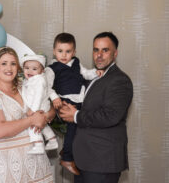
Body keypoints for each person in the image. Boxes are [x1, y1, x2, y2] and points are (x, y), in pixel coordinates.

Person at [58, 32, 133, 183]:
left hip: (102, 162)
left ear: (115, 53)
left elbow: (110, 115)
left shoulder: (120, 80)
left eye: (105, 50)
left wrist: (76, 115)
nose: (99, 55)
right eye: (95, 50)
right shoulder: (92, 77)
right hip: (82, 160)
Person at [0, 47, 55, 183]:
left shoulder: (26, 86)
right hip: (10, 163)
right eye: (4, 63)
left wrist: (46, 116)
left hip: (36, 159)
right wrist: (32, 119)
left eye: (13, 63)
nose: (9, 68)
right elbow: (0, 131)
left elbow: (50, 107)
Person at [45, 32, 101, 175]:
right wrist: (54, 98)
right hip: (65, 100)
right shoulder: (52, 68)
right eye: (60, 51)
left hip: (80, 99)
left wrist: (96, 72)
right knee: (73, 126)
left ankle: (67, 150)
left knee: (83, 127)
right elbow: (46, 86)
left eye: (68, 51)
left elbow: (86, 74)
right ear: (54, 51)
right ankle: (67, 158)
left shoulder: (76, 62)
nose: (64, 55)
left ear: (74, 52)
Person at [21, 54, 58, 154]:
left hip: (39, 107)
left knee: (33, 125)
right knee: (44, 125)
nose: (29, 71)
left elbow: (38, 96)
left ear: (42, 71)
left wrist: (33, 109)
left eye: (34, 69)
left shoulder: (39, 80)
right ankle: (52, 140)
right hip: (40, 106)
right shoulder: (29, 80)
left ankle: (38, 145)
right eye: (27, 68)